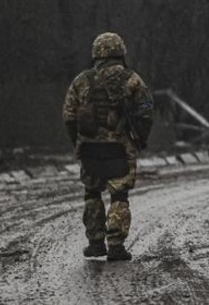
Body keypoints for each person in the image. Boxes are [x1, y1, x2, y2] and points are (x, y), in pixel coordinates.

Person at [62, 32, 153, 261]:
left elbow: (69, 116)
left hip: (89, 147)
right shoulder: (132, 79)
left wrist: (78, 143)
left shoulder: (82, 80)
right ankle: (115, 245)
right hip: (120, 148)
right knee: (119, 195)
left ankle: (95, 243)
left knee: (92, 193)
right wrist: (139, 137)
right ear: (121, 52)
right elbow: (146, 111)